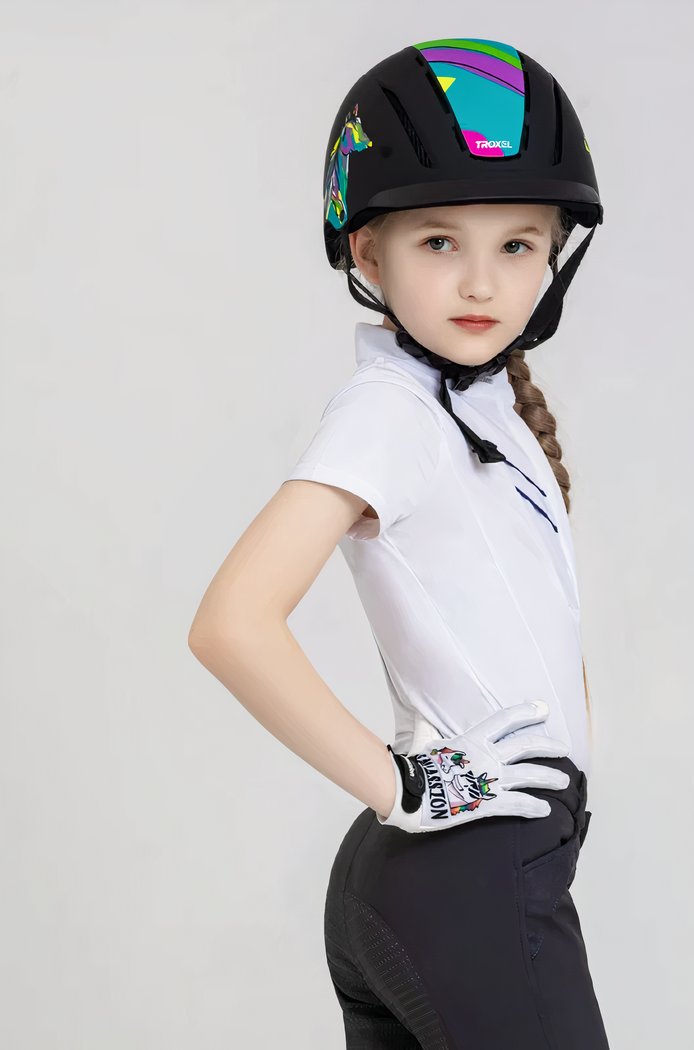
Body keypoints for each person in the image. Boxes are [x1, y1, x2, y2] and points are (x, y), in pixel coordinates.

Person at [188, 35, 609, 1049]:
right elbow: (232, 624)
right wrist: (403, 782)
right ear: (368, 254)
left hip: (463, 881)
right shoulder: (391, 411)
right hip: (467, 881)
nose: (482, 284)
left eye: (518, 245)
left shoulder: (485, 403)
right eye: (439, 243)